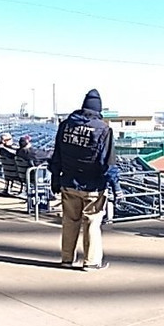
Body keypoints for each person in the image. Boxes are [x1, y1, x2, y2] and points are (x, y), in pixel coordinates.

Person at [49, 89, 124, 269]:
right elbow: (108, 162)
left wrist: (55, 178)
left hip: (68, 182)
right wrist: (117, 187)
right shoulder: (103, 129)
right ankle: (91, 262)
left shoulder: (65, 125)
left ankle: (67, 259)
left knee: (69, 221)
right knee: (92, 222)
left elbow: (56, 156)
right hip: (93, 186)